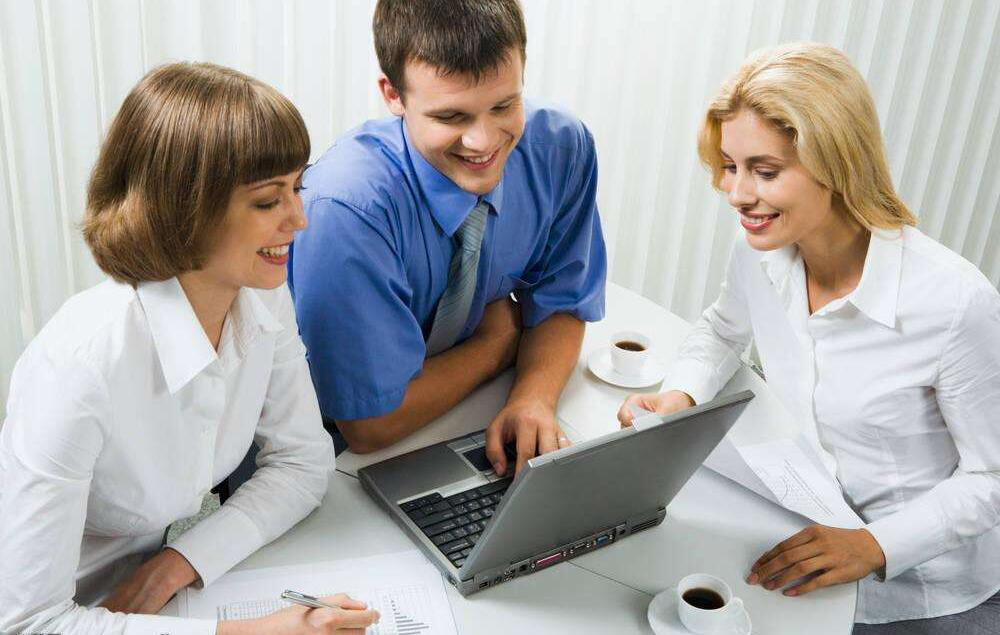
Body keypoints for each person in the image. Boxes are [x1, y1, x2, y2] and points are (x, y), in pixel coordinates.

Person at [618, 42, 1000, 633]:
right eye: (730, 166)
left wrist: (873, 546)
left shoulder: (954, 302)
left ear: (837, 163)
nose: (737, 194)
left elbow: (992, 478)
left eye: (765, 171)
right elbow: (722, 329)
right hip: (799, 544)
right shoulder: (759, 251)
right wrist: (680, 395)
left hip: (927, 596)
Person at [0, 63, 379, 635]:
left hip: (142, 599)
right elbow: (29, 623)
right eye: (267, 201)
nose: (299, 219)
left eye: (297, 188)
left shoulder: (261, 296)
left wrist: (176, 565)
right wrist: (257, 632)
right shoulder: (80, 366)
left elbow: (303, 464)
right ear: (185, 210)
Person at [289, 0, 607, 474]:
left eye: (504, 105)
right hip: (329, 453)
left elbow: (562, 301)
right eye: (451, 117)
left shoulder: (559, 147)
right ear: (393, 95)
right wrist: (497, 344)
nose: (483, 142)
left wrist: (533, 398)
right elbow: (369, 424)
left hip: (468, 410)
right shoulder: (345, 208)